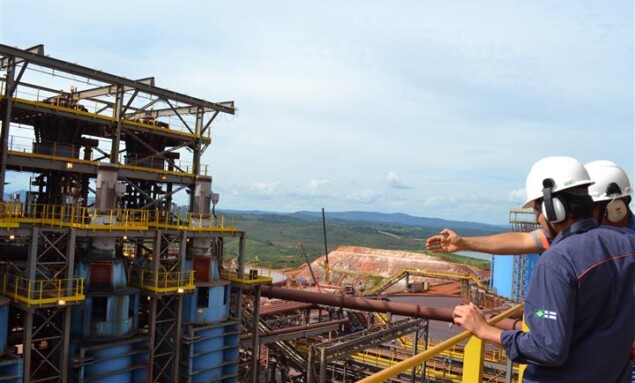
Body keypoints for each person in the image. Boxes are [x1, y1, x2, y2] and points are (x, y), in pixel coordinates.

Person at [452, 156, 635, 383]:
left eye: (538, 209)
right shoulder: (628, 243)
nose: (538, 218)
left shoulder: (557, 262)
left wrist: (484, 330)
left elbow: (548, 348)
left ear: (554, 208)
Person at [425, 160, 634, 255]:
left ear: (617, 209)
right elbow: (523, 240)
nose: (583, 211)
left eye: (589, 205)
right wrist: (464, 243)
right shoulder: (578, 235)